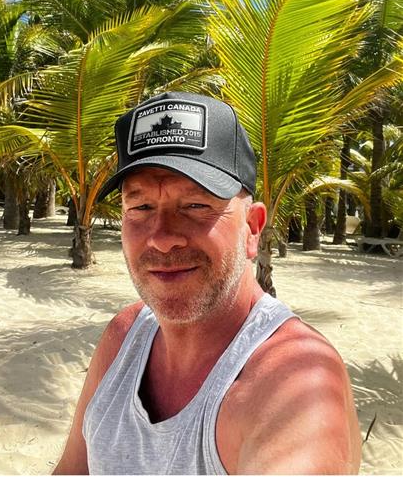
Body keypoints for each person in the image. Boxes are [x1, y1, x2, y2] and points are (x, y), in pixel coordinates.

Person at [53, 92, 362, 475]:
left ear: (252, 228)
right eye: (141, 207)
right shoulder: (124, 336)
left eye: (196, 206)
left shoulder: (296, 376)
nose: (162, 238)